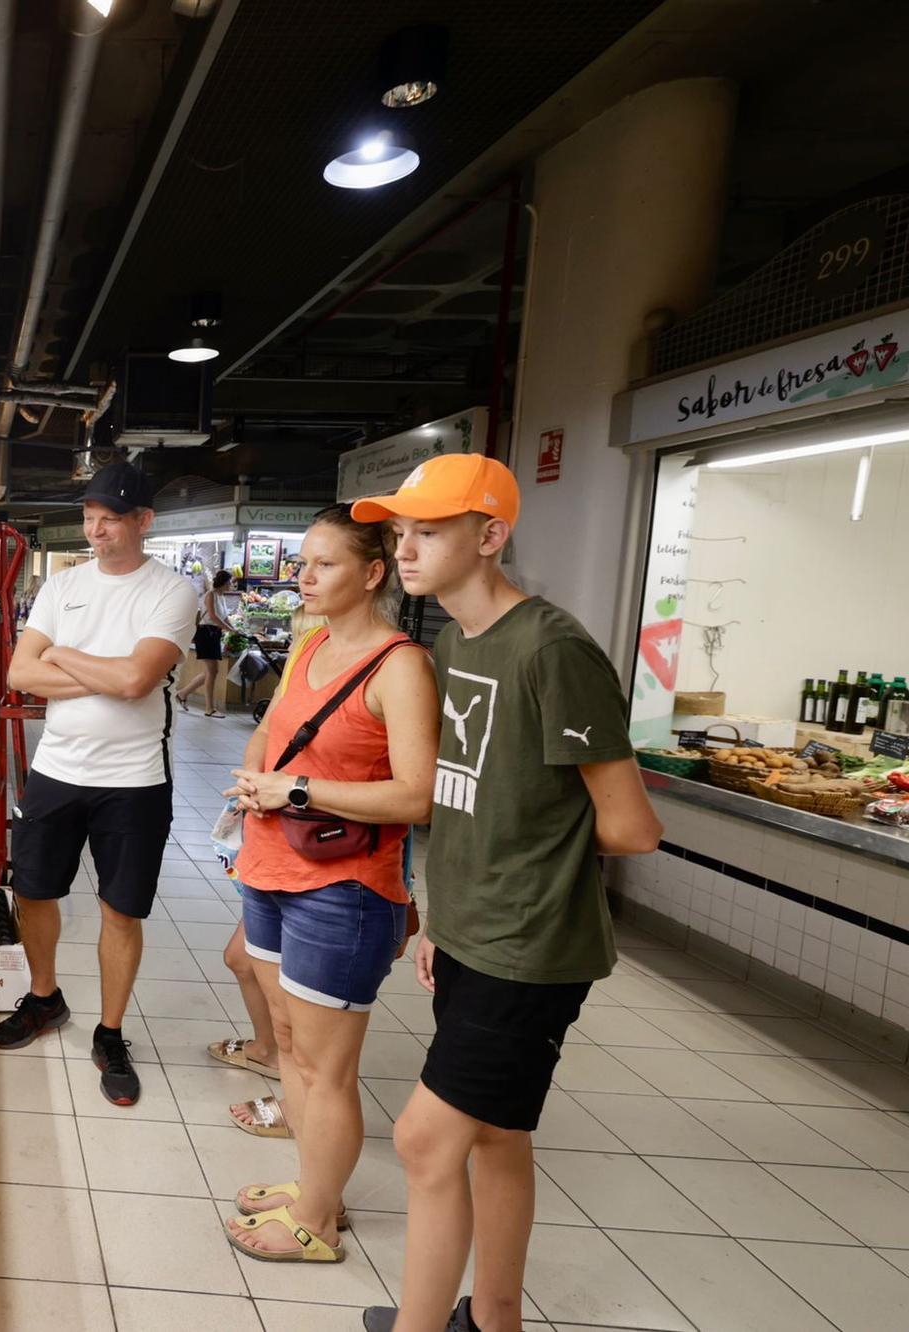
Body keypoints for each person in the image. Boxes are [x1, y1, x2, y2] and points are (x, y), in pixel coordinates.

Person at [348, 456, 661, 1332]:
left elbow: (630, 826)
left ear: (490, 537)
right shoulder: (457, 640)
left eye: (430, 531)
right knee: (496, 1136)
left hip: (531, 946)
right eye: (401, 532)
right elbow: (474, 799)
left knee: (423, 1139)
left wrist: (534, 849)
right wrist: (442, 918)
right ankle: (494, 1319)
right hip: (474, 933)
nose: (407, 549)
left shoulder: (552, 649)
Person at [218, 505, 438, 1266]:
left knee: (323, 1065)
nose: (303, 577)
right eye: (302, 562)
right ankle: (316, 1187)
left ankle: (315, 1222)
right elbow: (274, 729)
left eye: (324, 565)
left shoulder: (399, 665)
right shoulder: (310, 643)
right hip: (273, 868)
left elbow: (416, 795)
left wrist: (297, 791)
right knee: (287, 1044)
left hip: (341, 891)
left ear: (373, 575)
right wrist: (255, 780)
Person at [0, 461, 198, 1105]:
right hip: (56, 769)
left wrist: (62, 656)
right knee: (32, 893)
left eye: (110, 518)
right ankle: (44, 998)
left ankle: (110, 1034)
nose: (97, 529)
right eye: (89, 517)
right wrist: (103, 671)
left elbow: (140, 681)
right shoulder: (64, 585)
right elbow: (20, 676)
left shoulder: (172, 591)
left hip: (134, 781)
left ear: (144, 521)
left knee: (121, 909)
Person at [178, 568, 237, 717]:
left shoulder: (221, 597)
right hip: (205, 633)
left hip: (214, 634)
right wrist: (229, 629)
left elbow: (223, 617)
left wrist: (233, 628)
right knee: (212, 671)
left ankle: (182, 694)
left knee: (211, 672)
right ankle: (209, 708)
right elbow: (213, 616)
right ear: (223, 582)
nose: (232, 585)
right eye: (230, 582)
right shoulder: (210, 595)